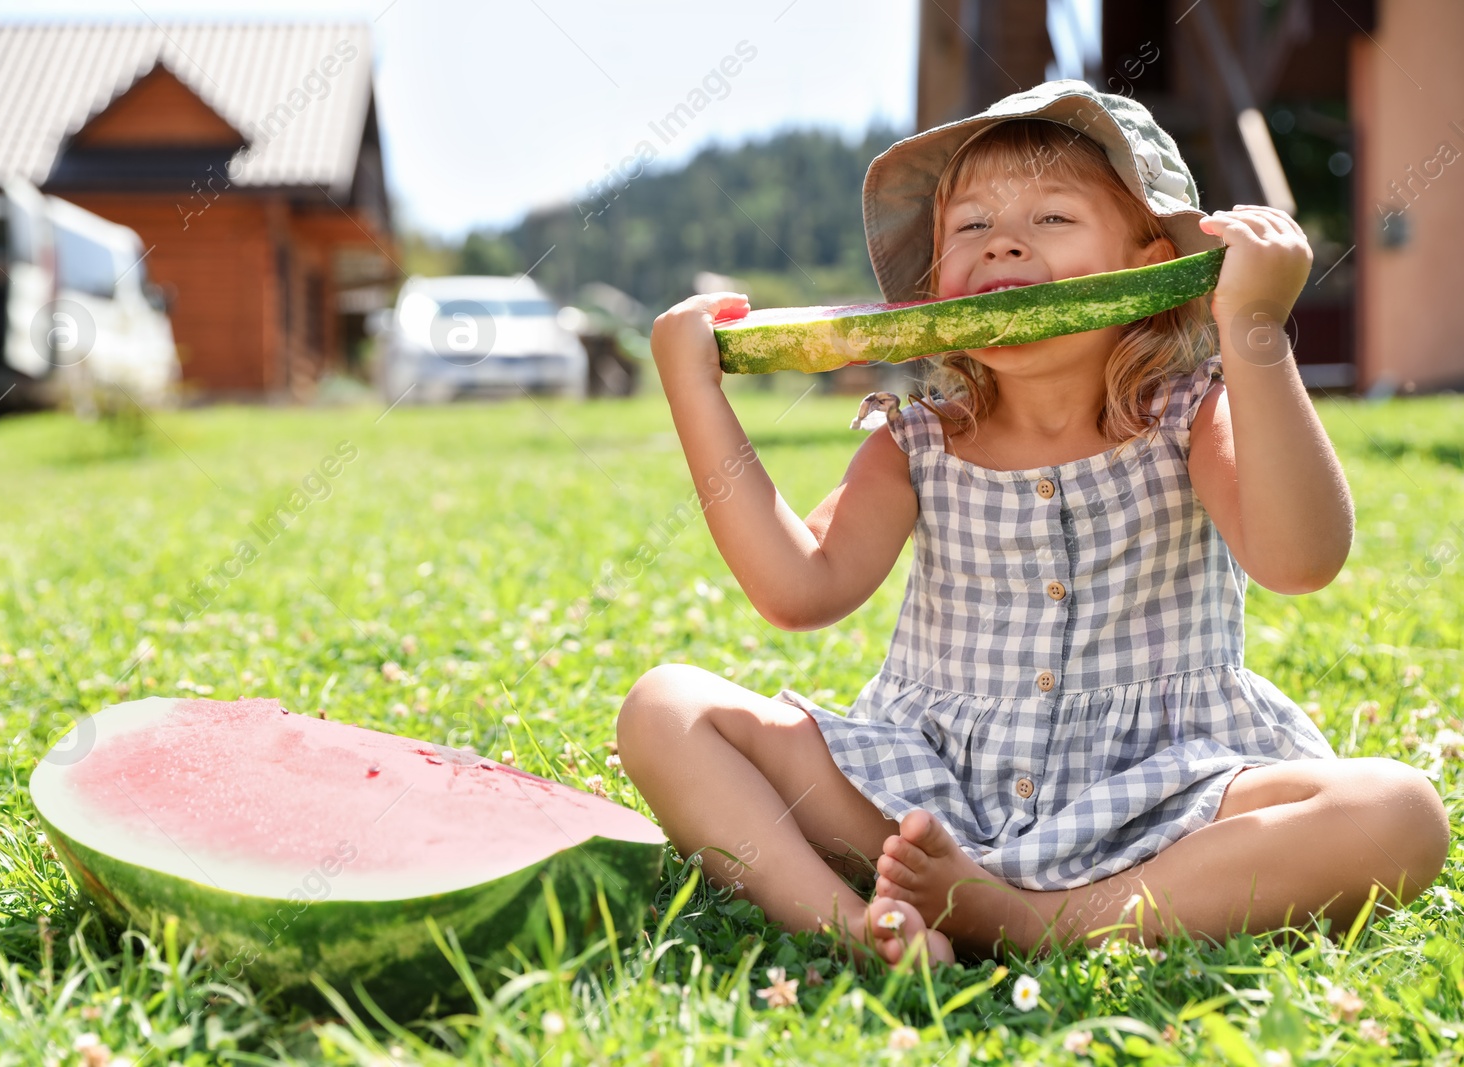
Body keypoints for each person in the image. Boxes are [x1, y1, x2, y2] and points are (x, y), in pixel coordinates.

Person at [615, 80, 1450, 970]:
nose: (1003, 240)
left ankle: (1035, 920)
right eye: (970, 227)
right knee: (665, 707)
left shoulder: (1190, 415)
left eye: (1052, 217)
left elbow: (1301, 559)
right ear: (937, 282)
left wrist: (1252, 329)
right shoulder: (921, 438)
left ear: (1150, 257)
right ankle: (856, 929)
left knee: (1399, 811)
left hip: (1160, 799)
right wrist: (695, 393)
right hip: (922, 792)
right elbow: (797, 588)